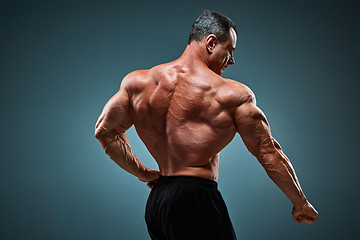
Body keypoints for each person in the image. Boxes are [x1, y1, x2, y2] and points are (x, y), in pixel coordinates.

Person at [95, 10, 318, 240]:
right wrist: (300, 202)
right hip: (195, 201)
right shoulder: (231, 94)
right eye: (229, 51)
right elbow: (267, 150)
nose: (231, 60)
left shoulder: (137, 83)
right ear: (211, 43)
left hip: (158, 203)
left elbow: (105, 132)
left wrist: (142, 173)